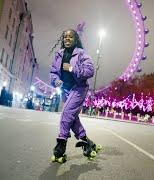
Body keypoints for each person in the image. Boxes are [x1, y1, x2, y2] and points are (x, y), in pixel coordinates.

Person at [49, 29, 100, 162]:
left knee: (66, 113)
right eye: (65, 37)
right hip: (65, 90)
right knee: (72, 118)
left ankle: (61, 143)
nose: (67, 39)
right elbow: (53, 72)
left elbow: (90, 70)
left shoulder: (81, 54)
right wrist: (56, 81)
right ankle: (87, 143)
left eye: (70, 37)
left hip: (78, 88)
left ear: (75, 39)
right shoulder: (59, 54)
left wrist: (72, 69)